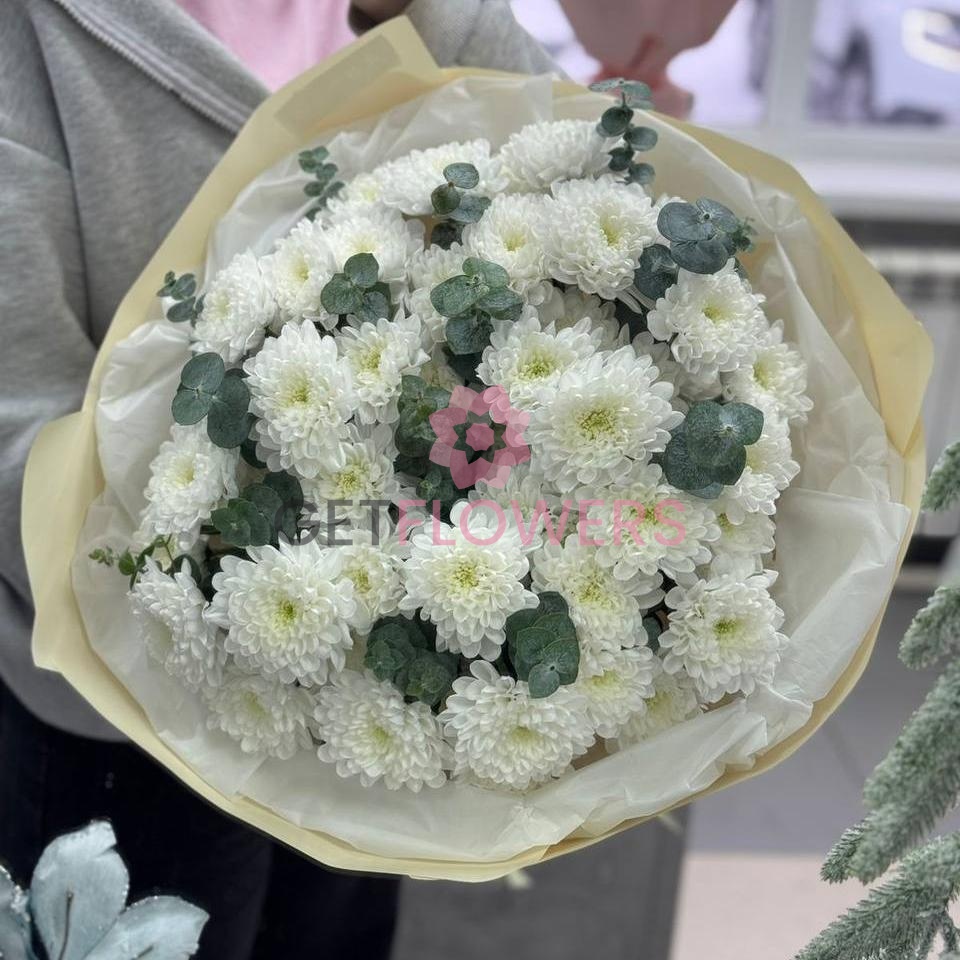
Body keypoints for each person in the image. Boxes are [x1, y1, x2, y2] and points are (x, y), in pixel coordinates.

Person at [0, 2, 554, 957]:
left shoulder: (420, 16)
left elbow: (577, 164)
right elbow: (17, 442)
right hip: (128, 724)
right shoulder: (36, 41)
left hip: (384, 712)